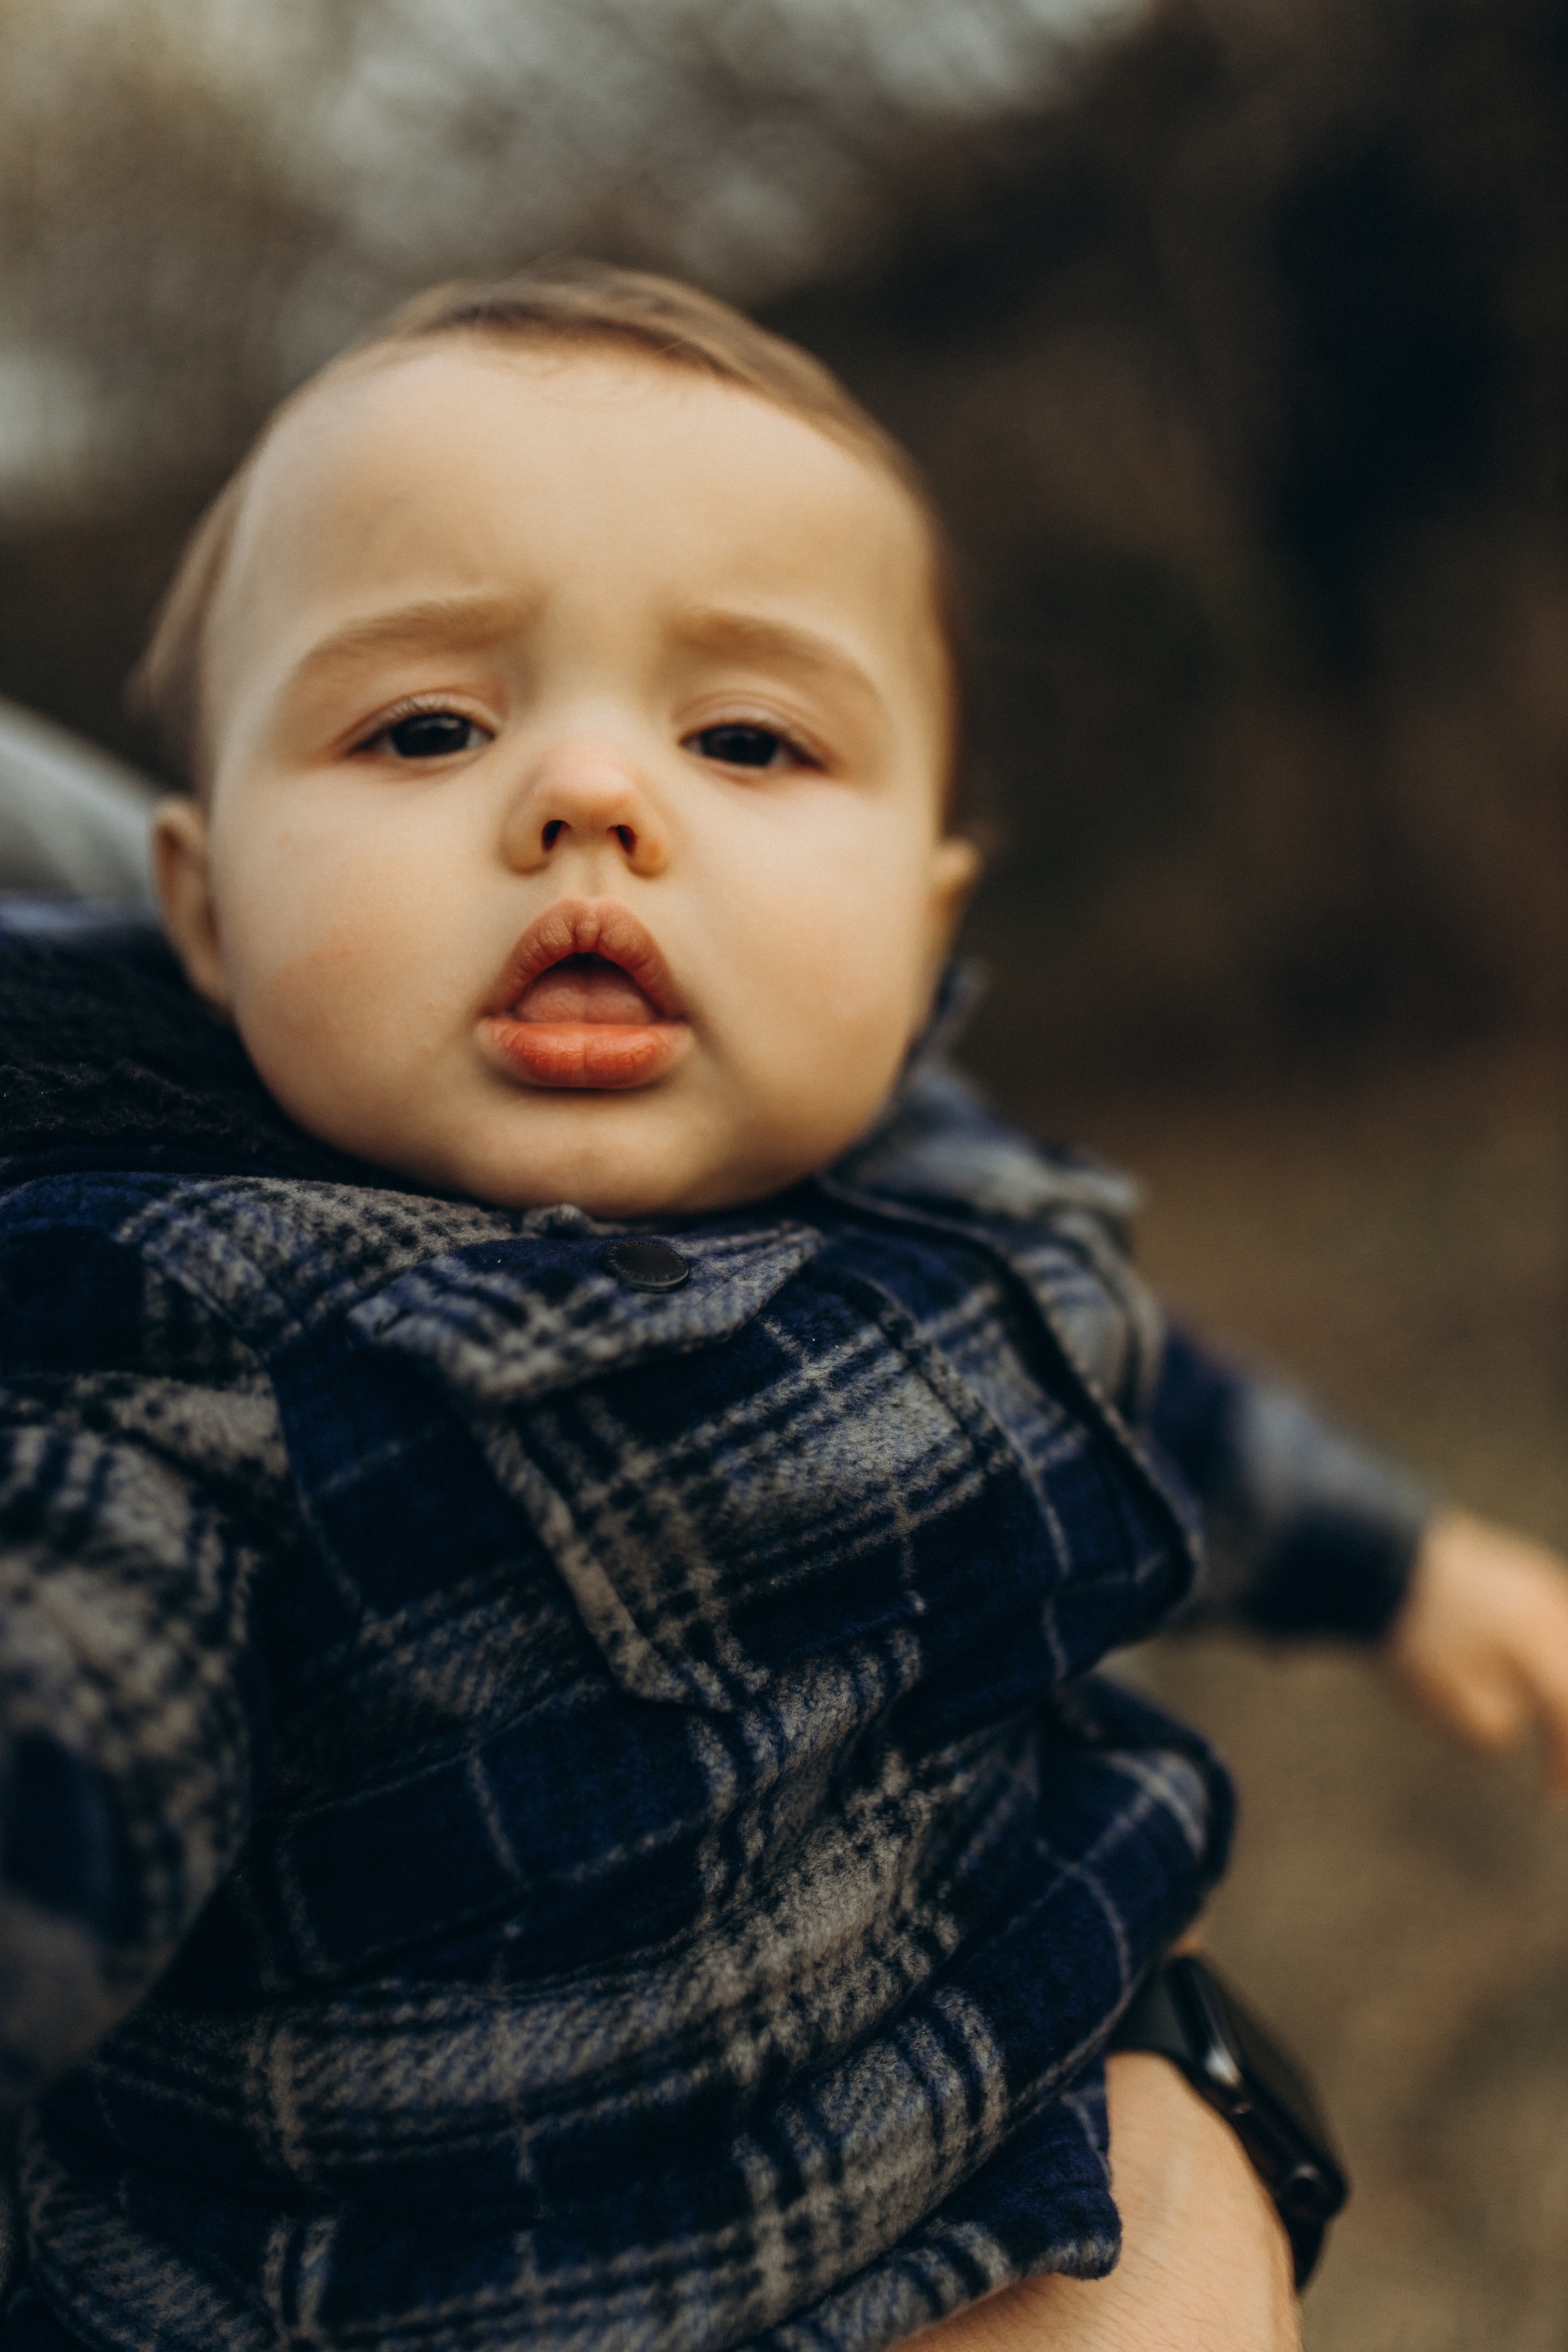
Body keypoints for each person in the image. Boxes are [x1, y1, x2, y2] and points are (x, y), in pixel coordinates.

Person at [1, 262, 1565, 2352]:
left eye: (746, 734)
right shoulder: (190, 1340)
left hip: (990, 2184)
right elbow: (77, 1672)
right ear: (199, 909)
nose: (587, 797)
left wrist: (1403, 1567)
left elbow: (1149, 1401)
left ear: (925, 929)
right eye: (426, 724)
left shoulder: (950, 1217)